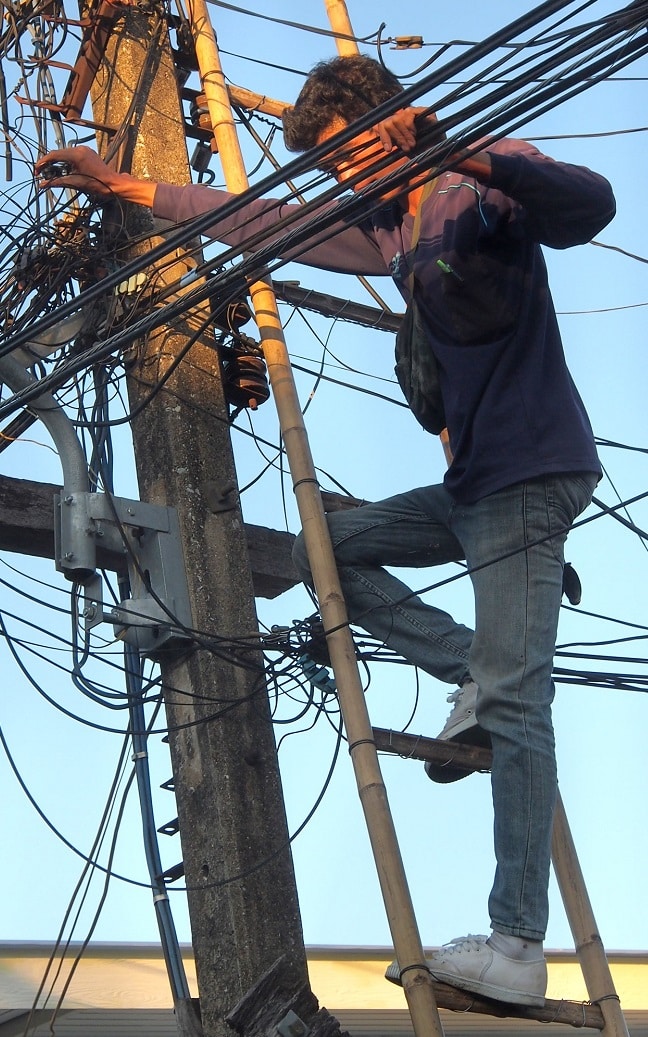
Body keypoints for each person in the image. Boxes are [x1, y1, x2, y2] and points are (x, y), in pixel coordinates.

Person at [36, 55, 615, 1008]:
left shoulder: (478, 184)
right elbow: (255, 218)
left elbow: (588, 205)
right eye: (335, 172)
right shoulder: (387, 228)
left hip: (533, 471)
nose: (346, 181)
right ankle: (470, 663)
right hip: (472, 486)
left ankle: (517, 941)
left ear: (388, 124)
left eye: (350, 157)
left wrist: (459, 144)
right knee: (323, 551)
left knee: (519, 705)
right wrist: (128, 183)